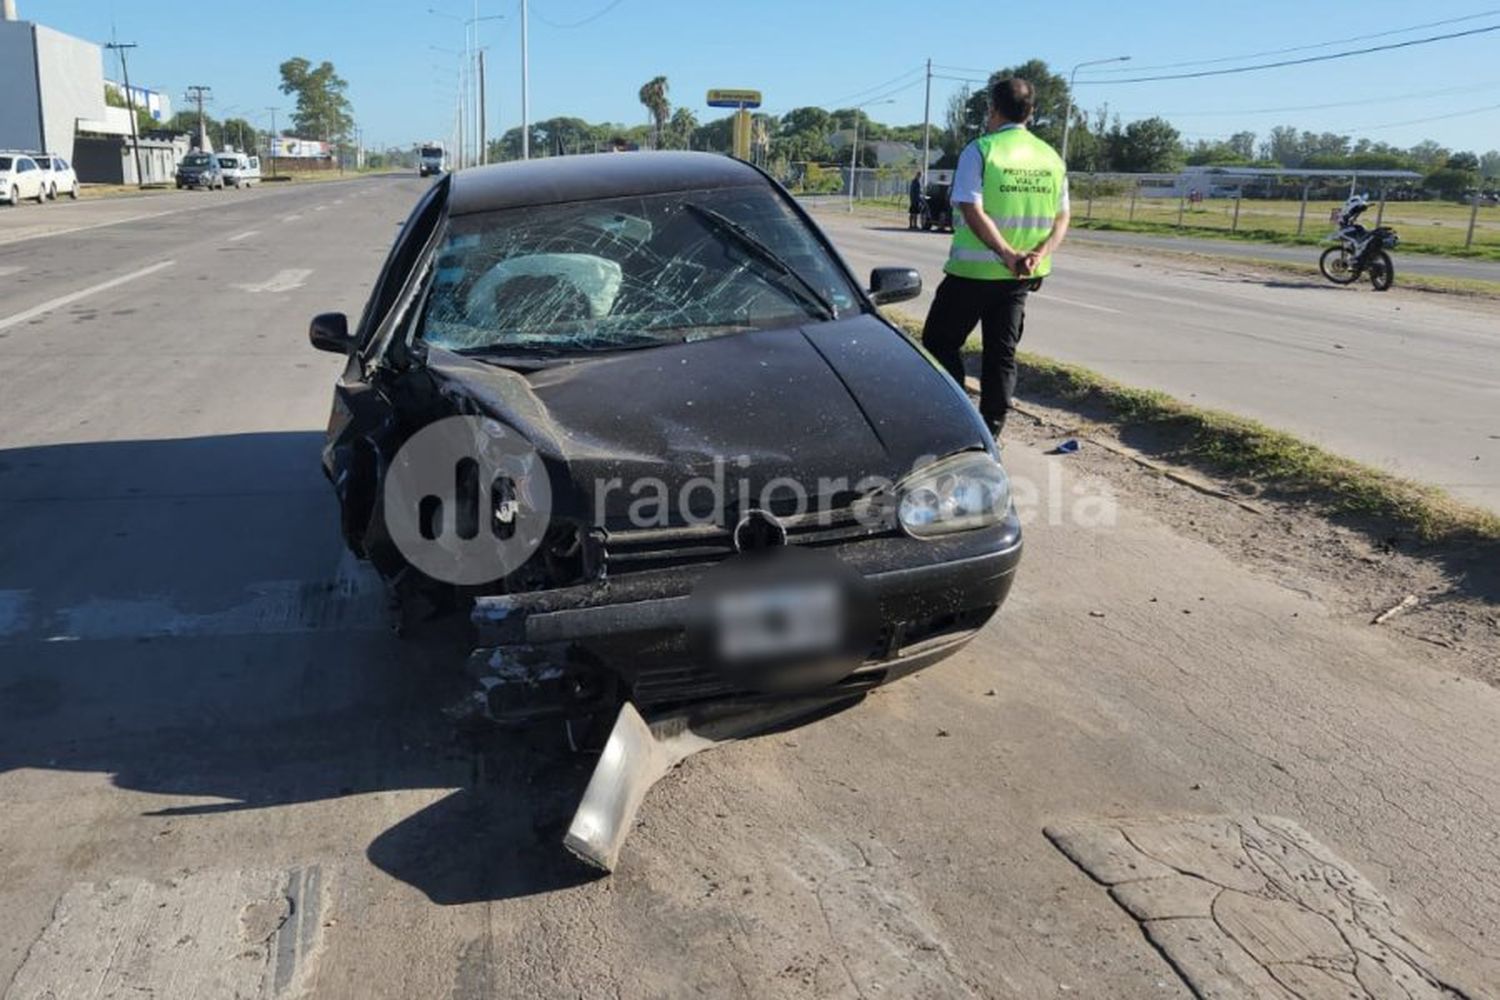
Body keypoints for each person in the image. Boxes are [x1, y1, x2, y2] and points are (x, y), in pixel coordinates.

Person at [920, 77, 1070, 440]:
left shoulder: (982, 150)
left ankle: (956, 417)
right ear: (1031, 113)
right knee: (1000, 355)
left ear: (994, 109)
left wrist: (1006, 253)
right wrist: (1037, 254)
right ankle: (991, 430)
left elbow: (971, 207)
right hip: (1020, 277)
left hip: (973, 273)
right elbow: (1062, 217)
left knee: (939, 344)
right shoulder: (1050, 157)